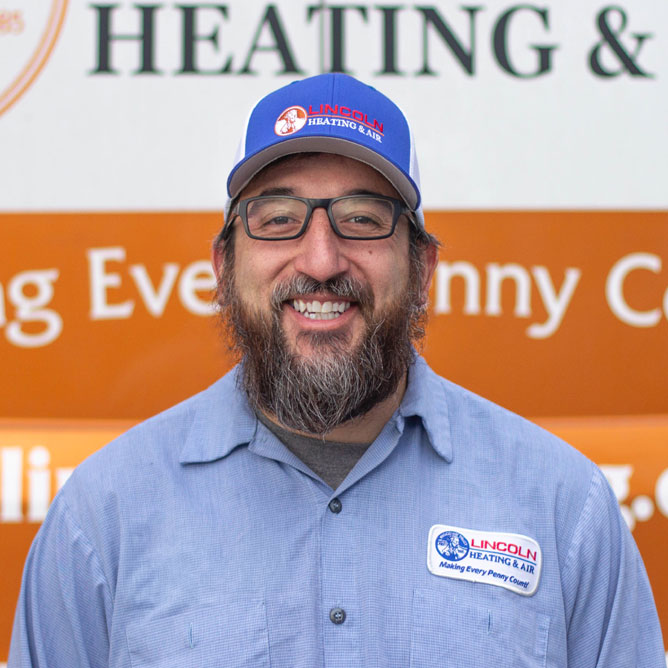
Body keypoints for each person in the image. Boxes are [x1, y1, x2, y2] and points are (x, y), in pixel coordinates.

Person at [9, 73, 664, 667]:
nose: (320, 260)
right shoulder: (105, 515)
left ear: (423, 268)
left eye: (361, 220)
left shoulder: (561, 506)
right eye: (279, 220)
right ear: (222, 266)